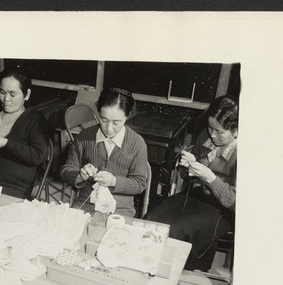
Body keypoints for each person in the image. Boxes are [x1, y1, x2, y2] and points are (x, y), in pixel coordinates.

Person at [145, 95, 238, 272]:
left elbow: (236, 203)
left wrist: (210, 178)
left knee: (176, 230)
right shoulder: (206, 136)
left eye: (219, 132)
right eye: (210, 128)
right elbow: (188, 176)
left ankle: (170, 271)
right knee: (152, 219)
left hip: (223, 209)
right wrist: (186, 167)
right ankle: (150, 265)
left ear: (236, 131)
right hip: (197, 196)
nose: (212, 135)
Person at [61, 87, 148, 217]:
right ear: (98, 112)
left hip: (121, 208)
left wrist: (114, 181)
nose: (109, 128)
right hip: (87, 202)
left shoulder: (137, 143)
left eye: (116, 122)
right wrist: (80, 176)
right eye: (104, 120)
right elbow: (65, 170)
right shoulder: (85, 136)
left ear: (127, 115)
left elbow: (139, 183)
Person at [0, 68, 49, 199]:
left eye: (12, 94)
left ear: (27, 94)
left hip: (15, 184)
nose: (6, 99)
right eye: (2, 92)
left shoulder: (36, 120)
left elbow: (37, 156)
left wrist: (6, 144)